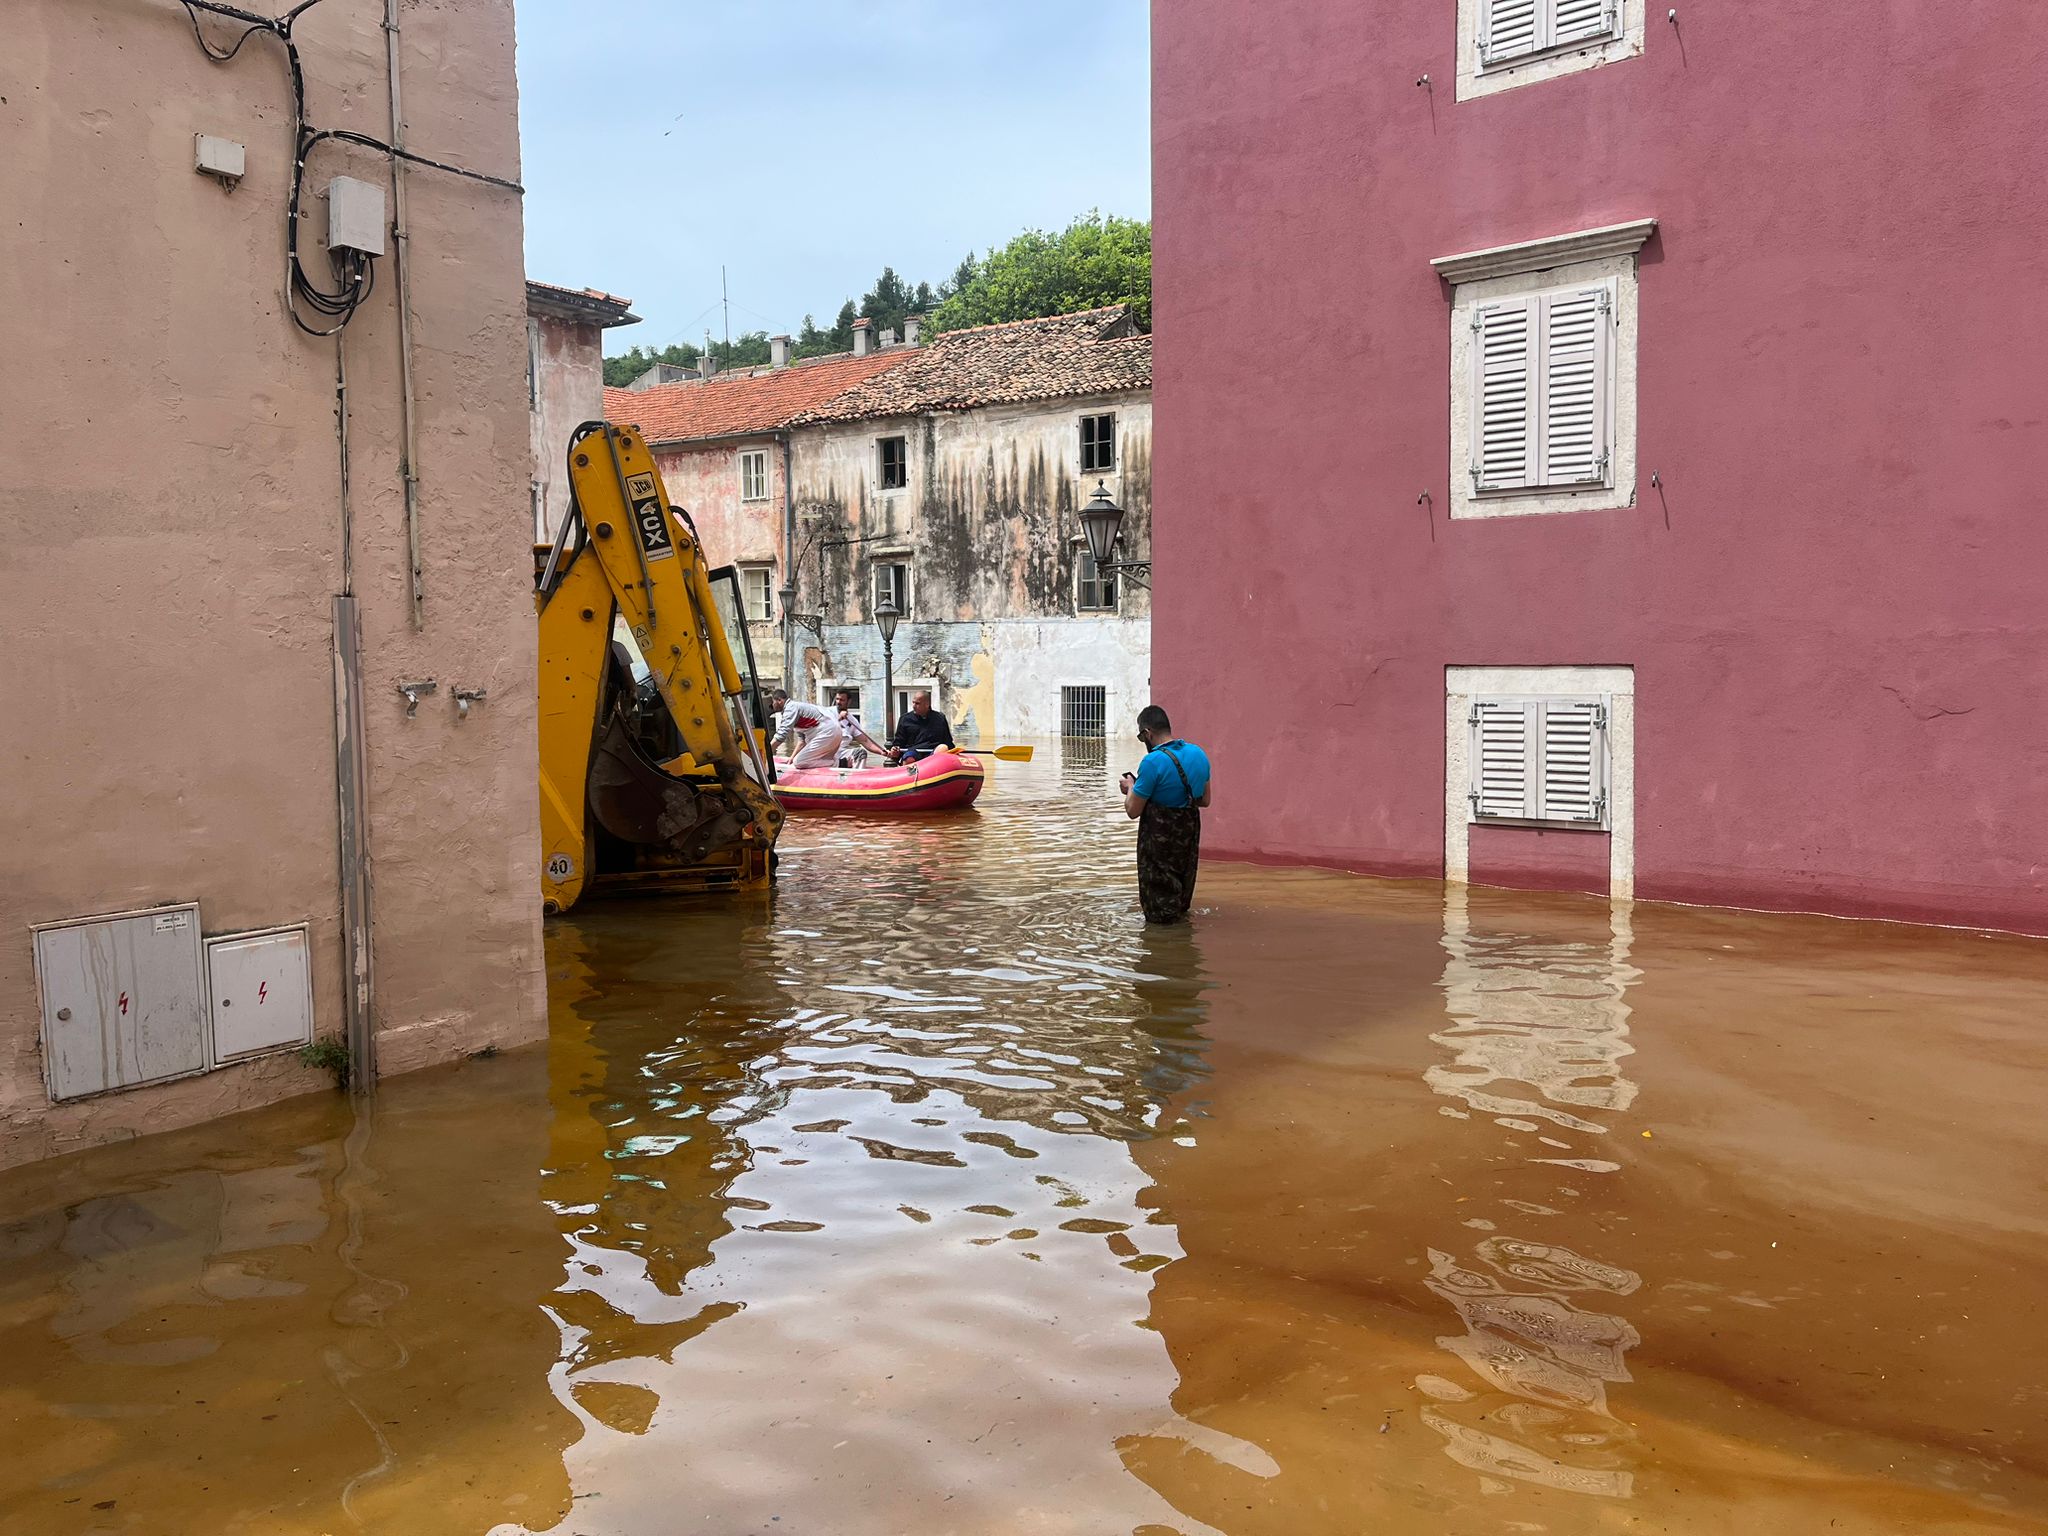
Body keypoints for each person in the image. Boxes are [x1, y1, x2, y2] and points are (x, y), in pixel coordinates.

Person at [1119, 704, 1211, 924]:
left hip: (1159, 847)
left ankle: (1162, 944)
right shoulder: (1199, 754)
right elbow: (1205, 800)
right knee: (1180, 902)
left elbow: (1132, 810)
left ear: (1147, 733)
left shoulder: (1152, 762)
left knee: (1159, 913)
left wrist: (1130, 787)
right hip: (1187, 842)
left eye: (1141, 737)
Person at [768, 688, 842, 770]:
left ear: (779, 700)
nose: (772, 706)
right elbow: (802, 741)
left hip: (828, 732)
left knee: (799, 762)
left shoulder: (790, 708)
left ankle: (838, 763)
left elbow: (781, 735)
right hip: (835, 731)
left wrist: (765, 754)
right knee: (803, 760)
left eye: (772, 702)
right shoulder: (796, 709)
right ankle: (840, 762)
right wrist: (792, 757)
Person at [887, 690, 955, 764]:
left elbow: (947, 741)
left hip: (934, 755)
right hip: (913, 753)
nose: (914, 706)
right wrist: (895, 751)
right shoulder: (905, 719)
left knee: (943, 747)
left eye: (917, 703)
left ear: (927, 704)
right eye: (913, 702)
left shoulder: (940, 718)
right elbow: (899, 742)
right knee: (909, 757)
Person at [831, 688, 885, 767]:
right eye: (837, 699)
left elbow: (865, 741)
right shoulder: (827, 712)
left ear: (849, 701)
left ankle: (856, 774)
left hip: (840, 754)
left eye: (842, 700)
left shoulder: (852, 720)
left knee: (860, 753)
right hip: (825, 752)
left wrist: (882, 752)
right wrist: (839, 719)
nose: (838, 702)